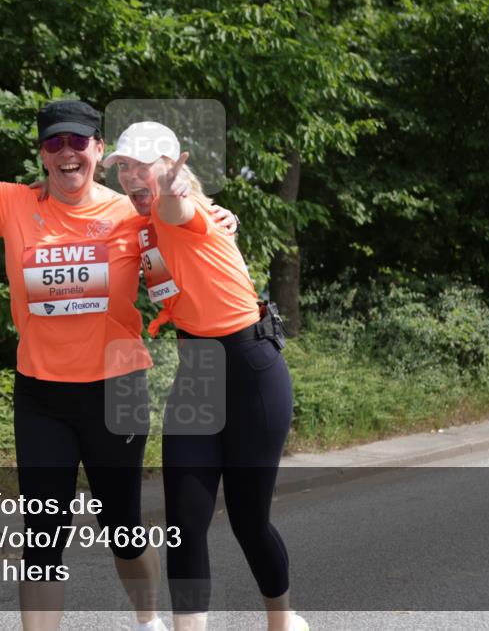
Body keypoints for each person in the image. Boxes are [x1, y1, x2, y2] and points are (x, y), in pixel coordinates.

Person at [0, 65, 236, 631]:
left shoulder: (129, 214)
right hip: (41, 394)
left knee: (124, 528)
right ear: (42, 154)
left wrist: (219, 219)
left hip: (118, 389)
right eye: (53, 143)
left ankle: (148, 620)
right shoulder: (14, 205)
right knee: (42, 536)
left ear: (98, 148)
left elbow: (188, 235)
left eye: (77, 142)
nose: (67, 153)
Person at [103, 121, 309, 631]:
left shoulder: (186, 215)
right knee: (184, 524)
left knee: (248, 520)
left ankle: (282, 622)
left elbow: (179, 208)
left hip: (252, 369)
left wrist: (174, 192)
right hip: (198, 371)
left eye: (140, 166)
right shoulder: (140, 223)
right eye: (123, 167)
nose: (129, 177)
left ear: (172, 167)